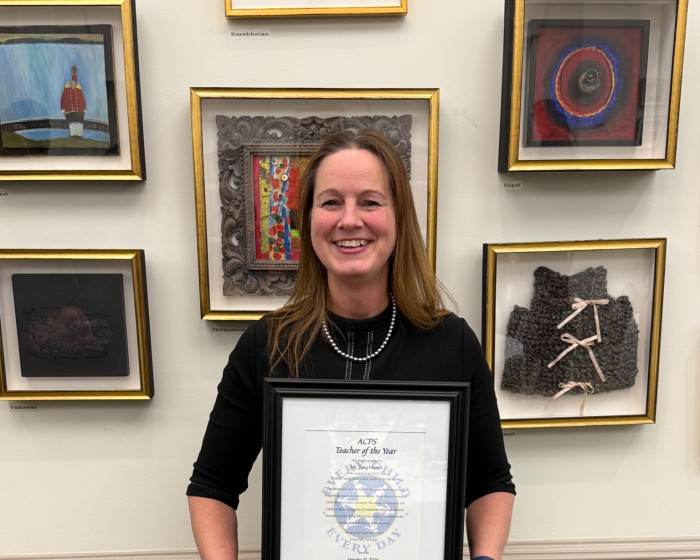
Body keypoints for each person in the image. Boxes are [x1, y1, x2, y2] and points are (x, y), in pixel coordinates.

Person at [187, 129, 516, 560]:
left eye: (370, 202)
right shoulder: (267, 345)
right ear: (307, 221)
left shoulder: (452, 343)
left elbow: (490, 484)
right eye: (330, 202)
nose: (349, 220)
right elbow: (212, 486)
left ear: (399, 218)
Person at [60, 65, 87, 137]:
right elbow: (62, 100)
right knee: (72, 124)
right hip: (69, 111)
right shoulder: (66, 91)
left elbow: (82, 99)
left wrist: (84, 108)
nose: (73, 85)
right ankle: (73, 135)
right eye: (71, 84)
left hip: (79, 111)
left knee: (79, 123)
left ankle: (79, 135)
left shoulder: (78, 90)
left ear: (75, 84)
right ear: (70, 84)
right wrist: (63, 109)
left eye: (74, 84)